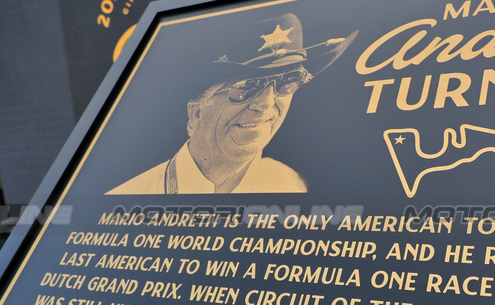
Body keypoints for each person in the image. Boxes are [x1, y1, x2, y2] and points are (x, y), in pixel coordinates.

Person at [107, 13, 354, 194]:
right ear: (195, 114)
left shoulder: (291, 185)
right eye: (247, 88)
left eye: (288, 81)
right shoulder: (125, 203)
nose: (266, 104)